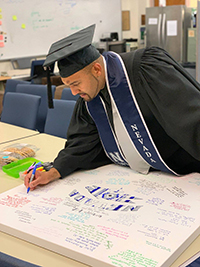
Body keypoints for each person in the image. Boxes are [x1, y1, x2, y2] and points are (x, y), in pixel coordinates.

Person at [25, 24, 200, 191]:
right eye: (68, 85)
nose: (73, 92)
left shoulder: (147, 70)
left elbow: (191, 118)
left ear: (96, 69)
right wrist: (55, 171)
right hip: (143, 181)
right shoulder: (90, 94)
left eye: (75, 83)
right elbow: (82, 143)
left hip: (184, 174)